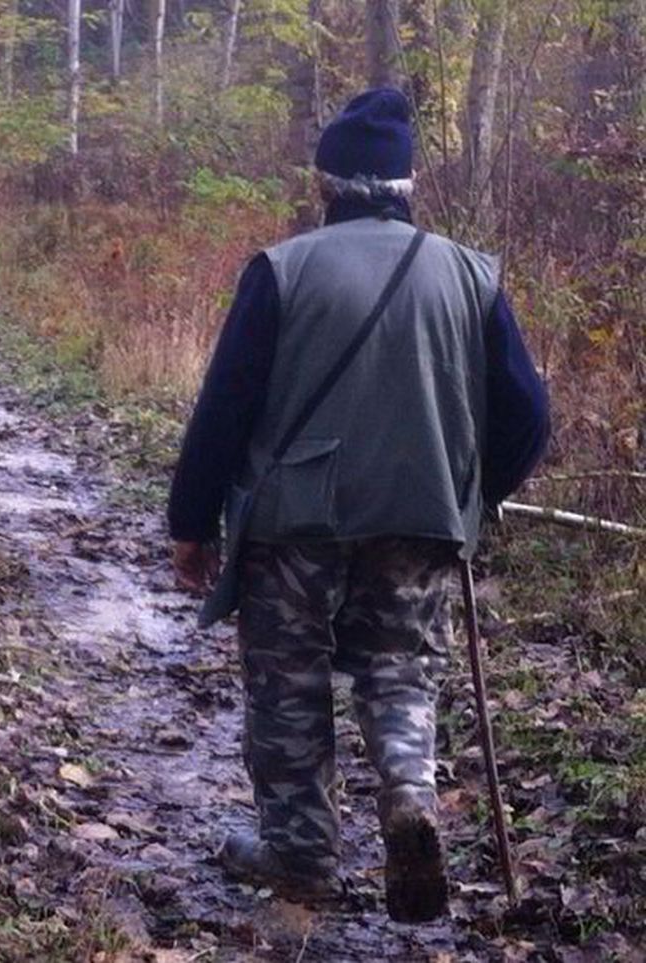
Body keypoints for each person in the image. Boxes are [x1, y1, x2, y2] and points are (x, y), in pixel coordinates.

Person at [166, 88, 550, 922]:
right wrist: (470, 495)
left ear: (325, 183)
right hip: (419, 517)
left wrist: (189, 524)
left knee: (288, 683)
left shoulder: (281, 268)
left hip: (291, 524)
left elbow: (225, 408)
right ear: (407, 183)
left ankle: (300, 853)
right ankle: (407, 795)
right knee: (399, 667)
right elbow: (528, 415)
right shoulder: (470, 275)